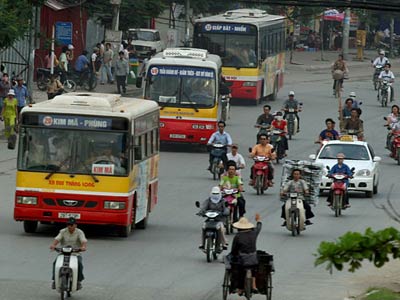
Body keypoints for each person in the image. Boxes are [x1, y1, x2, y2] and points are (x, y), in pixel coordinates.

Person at [49, 217, 87, 290]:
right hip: (63, 253)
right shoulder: (63, 231)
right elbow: (57, 239)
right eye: (68, 224)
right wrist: (53, 245)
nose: (70, 226)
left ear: (75, 225)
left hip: (75, 253)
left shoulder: (79, 232)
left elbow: (83, 241)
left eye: (71, 225)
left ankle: (78, 281)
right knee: (55, 263)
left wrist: (83, 247)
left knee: (79, 264)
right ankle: (54, 280)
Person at [230, 214, 262, 295]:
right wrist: (258, 220)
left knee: (239, 272)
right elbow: (258, 228)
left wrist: (233, 255)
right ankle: (254, 286)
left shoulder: (237, 236)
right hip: (253, 258)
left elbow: (234, 250)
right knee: (254, 268)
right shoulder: (253, 233)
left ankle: (240, 288)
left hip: (243, 260)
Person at [198, 186, 229, 251]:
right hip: (210, 219)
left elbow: (226, 209)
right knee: (203, 227)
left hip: (220, 219)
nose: (215, 195)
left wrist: (225, 212)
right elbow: (203, 207)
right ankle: (202, 243)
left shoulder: (223, 201)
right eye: (214, 193)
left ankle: (224, 243)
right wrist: (201, 212)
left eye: (217, 193)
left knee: (222, 229)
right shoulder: (208, 200)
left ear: (219, 193)